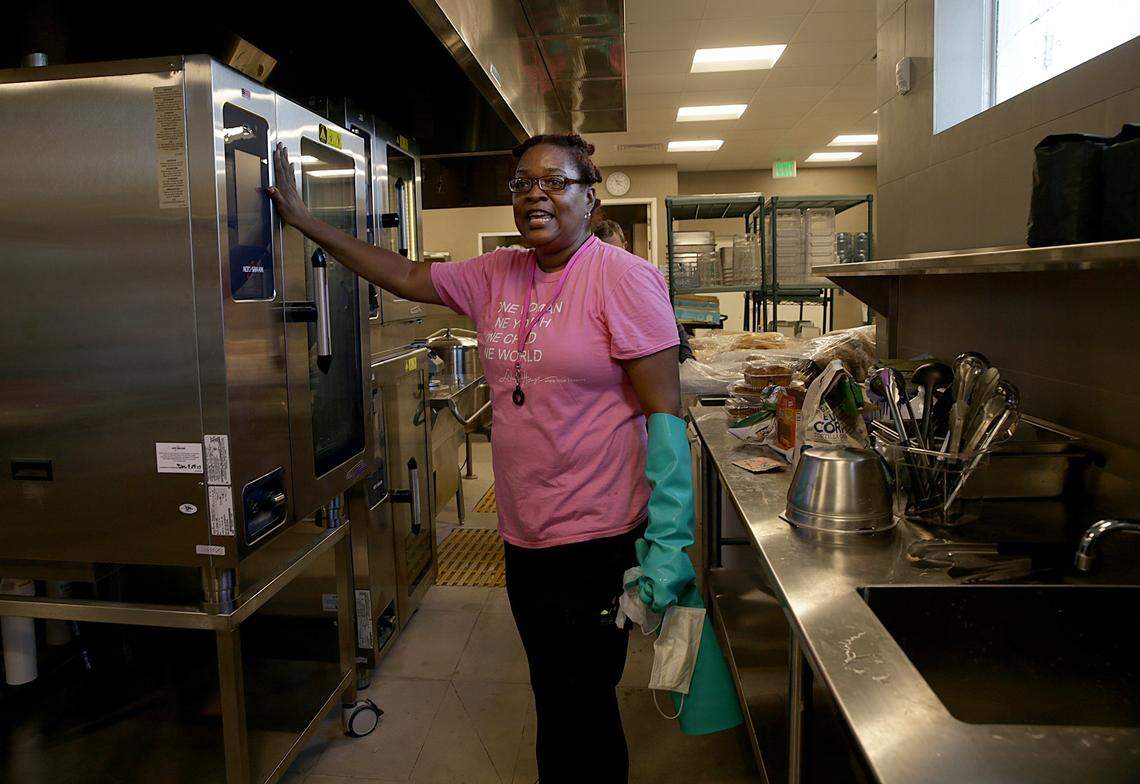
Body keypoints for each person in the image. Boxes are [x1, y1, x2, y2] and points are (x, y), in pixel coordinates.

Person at [267, 133, 693, 784]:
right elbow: (406, 275)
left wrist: (669, 542)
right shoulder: (496, 272)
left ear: (590, 196)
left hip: (598, 535)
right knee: (553, 692)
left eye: (555, 181)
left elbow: (664, 414)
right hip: (524, 533)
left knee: (583, 701)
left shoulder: (625, 278)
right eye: (523, 183)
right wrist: (307, 223)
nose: (535, 195)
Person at [594, 217, 694, 363]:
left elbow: (672, 323)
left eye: (616, 252)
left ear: (625, 246)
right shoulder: (590, 285)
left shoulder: (640, 278)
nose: (611, 258)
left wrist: (688, 360)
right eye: (604, 252)